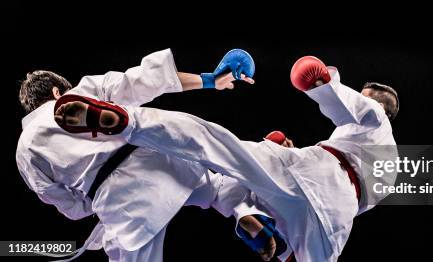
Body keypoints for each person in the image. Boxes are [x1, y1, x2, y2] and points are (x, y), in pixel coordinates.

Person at [54, 55, 400, 261]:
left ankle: (128, 122)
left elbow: (331, 90)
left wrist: (323, 83)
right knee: (230, 185)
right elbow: (339, 194)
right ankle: (257, 222)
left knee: (212, 143)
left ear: (380, 105)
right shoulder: (387, 165)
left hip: (312, 169)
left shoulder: (375, 115)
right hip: (332, 225)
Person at [16, 49, 281, 261]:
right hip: (156, 156)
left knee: (125, 246)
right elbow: (141, 80)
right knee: (215, 189)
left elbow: (69, 207)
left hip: (120, 201)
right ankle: (242, 209)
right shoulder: (82, 91)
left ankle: (115, 127)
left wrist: (91, 202)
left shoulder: (25, 151)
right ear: (57, 93)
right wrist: (211, 79)